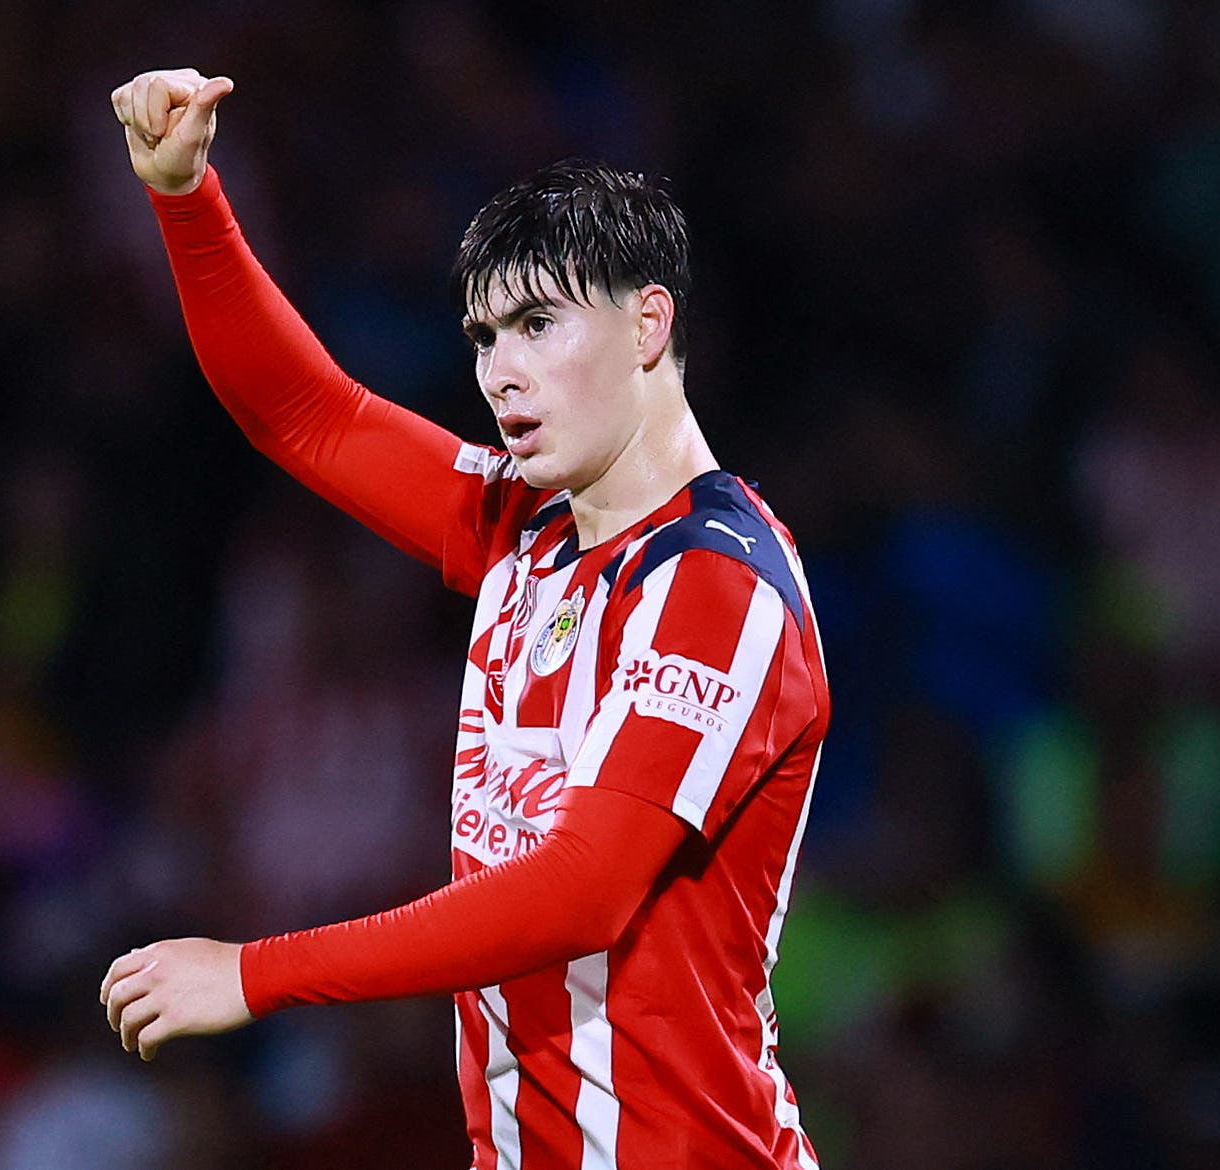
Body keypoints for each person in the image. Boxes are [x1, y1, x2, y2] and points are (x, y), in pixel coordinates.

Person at [99, 68, 831, 1170]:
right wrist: (187, 195)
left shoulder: (715, 585)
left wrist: (256, 973)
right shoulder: (524, 525)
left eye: (539, 325)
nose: (502, 373)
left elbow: (581, 892)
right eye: (486, 337)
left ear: (648, 324)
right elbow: (303, 411)